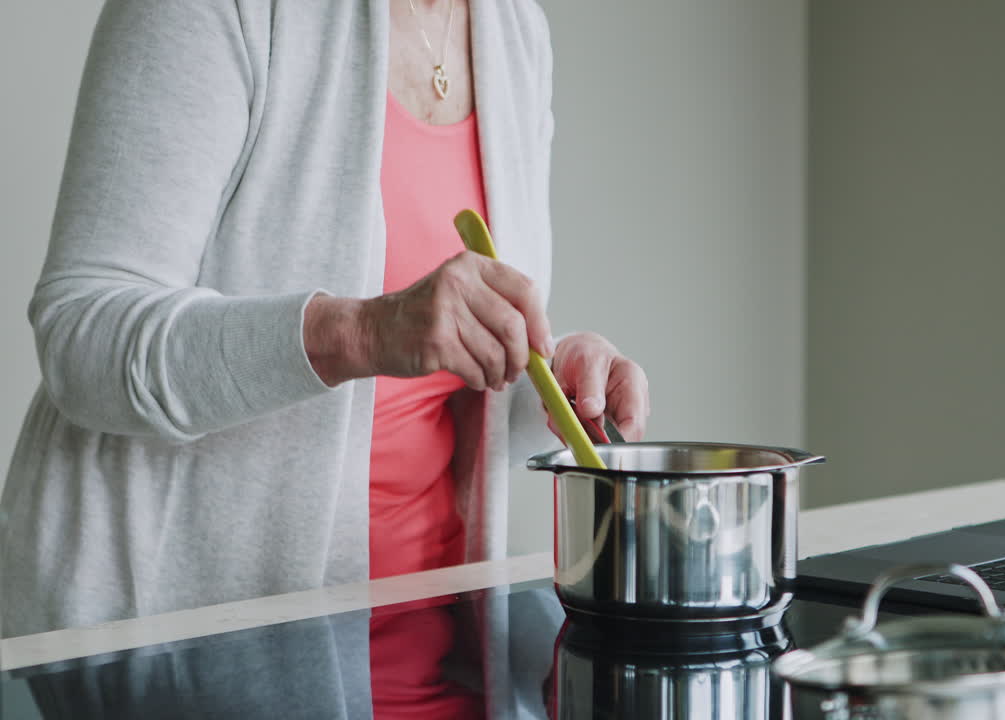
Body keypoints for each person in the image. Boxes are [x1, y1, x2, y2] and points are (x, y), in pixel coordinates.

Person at [1, 0, 647, 667]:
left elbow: (430, 399)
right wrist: (361, 333)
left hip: (437, 641)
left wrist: (551, 380)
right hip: (182, 654)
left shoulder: (515, 29)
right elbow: (81, 337)